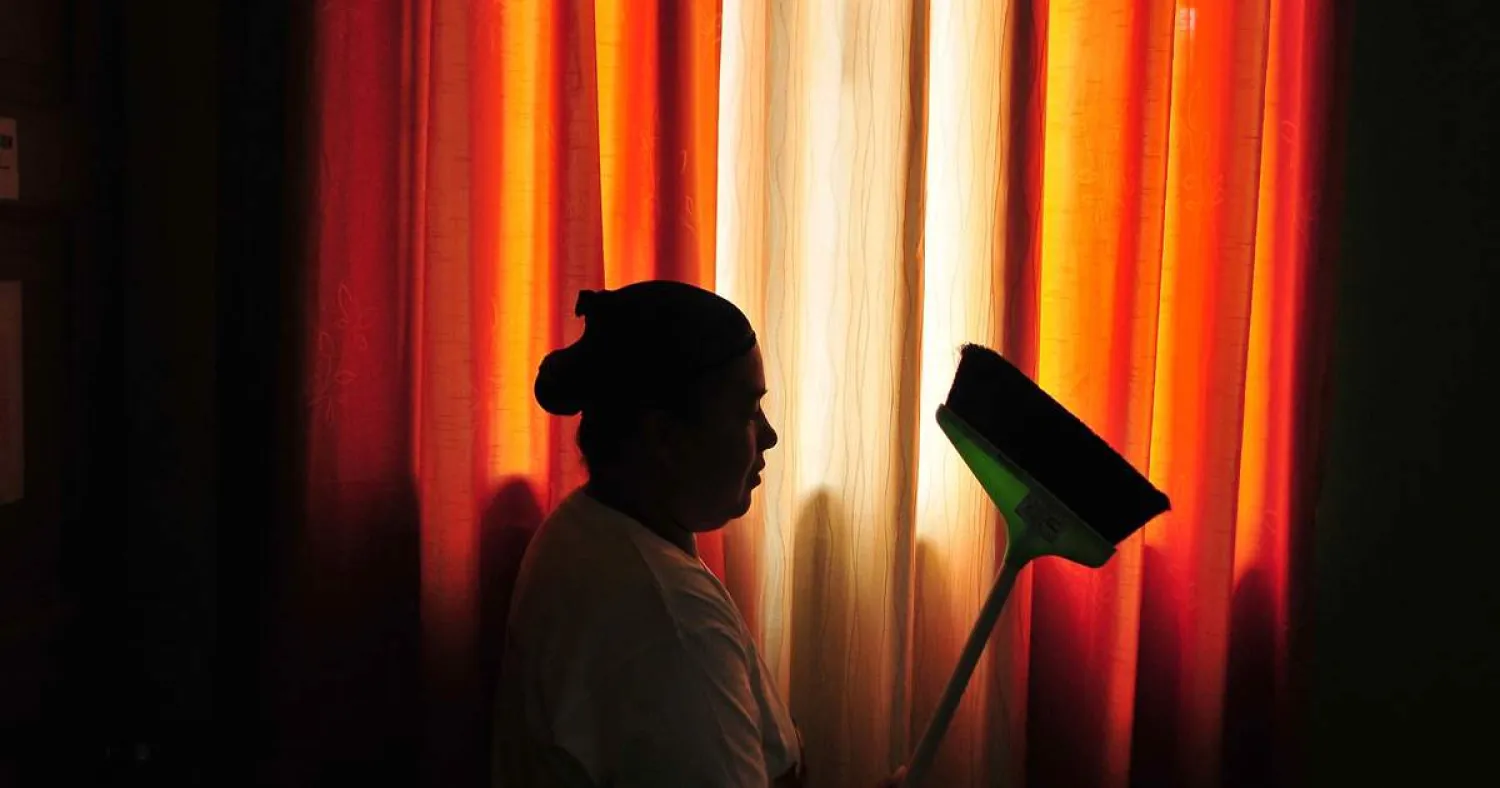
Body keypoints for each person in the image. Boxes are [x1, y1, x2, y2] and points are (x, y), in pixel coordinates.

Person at [492, 281, 904, 787]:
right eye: (747, 412)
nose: (769, 435)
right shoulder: (668, 622)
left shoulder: (584, 529)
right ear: (663, 438)